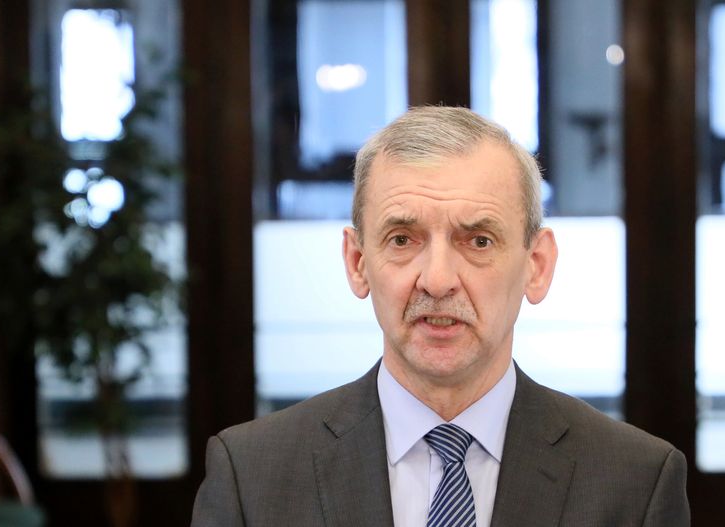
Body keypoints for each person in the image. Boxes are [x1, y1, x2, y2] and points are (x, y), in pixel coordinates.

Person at [191, 106, 690, 527]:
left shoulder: (636, 481)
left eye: (478, 241)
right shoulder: (250, 477)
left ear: (536, 266)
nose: (437, 279)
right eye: (402, 240)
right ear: (358, 262)